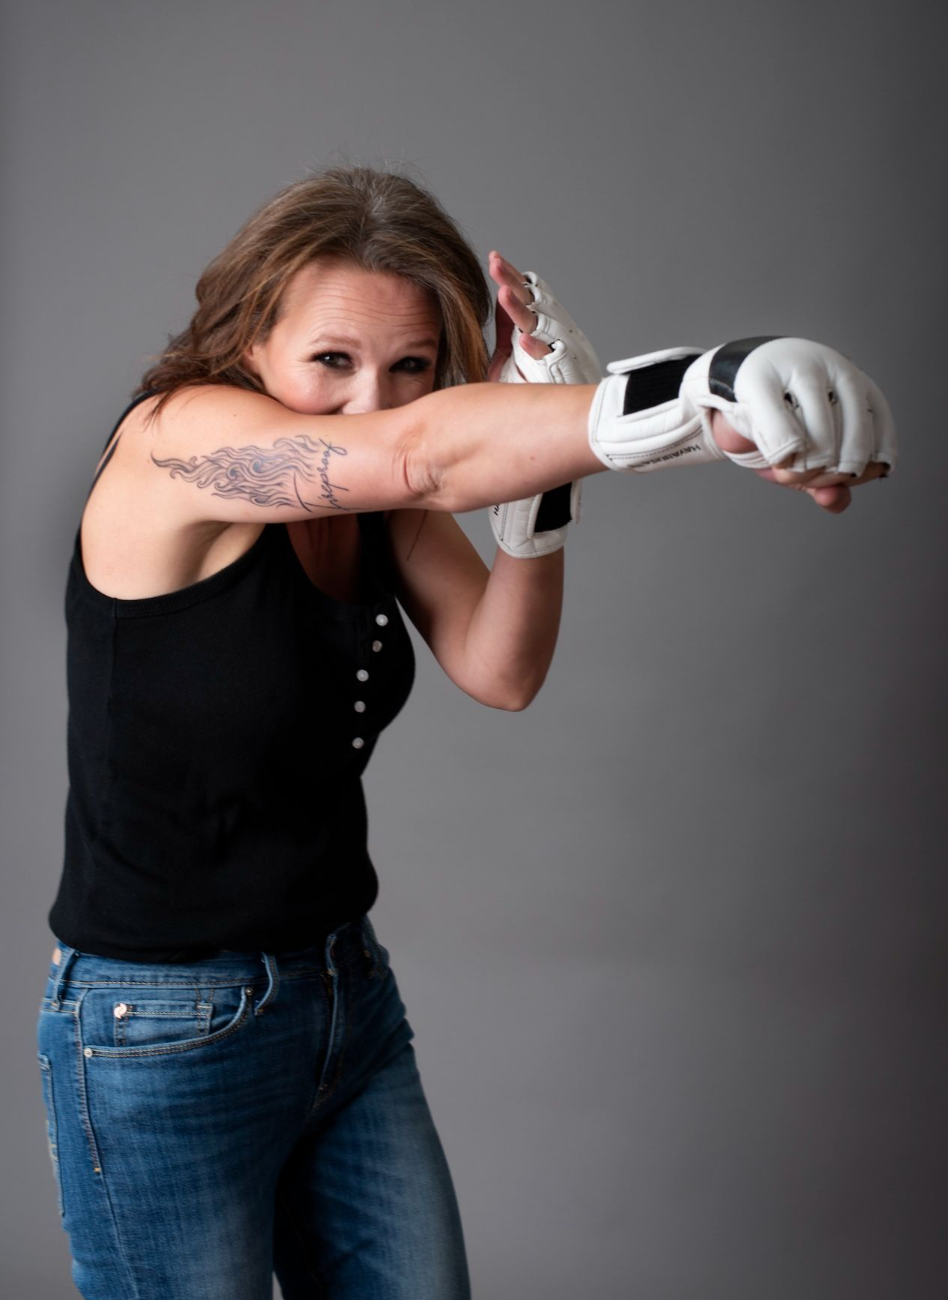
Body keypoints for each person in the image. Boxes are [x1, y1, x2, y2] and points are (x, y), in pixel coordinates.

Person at [35, 165, 894, 1300]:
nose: (370, 401)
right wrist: (699, 389)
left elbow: (501, 666)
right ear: (249, 340)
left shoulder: (379, 497)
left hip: (343, 992)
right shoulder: (180, 440)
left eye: (411, 367)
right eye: (331, 360)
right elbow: (418, 454)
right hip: (163, 1024)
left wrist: (550, 482)